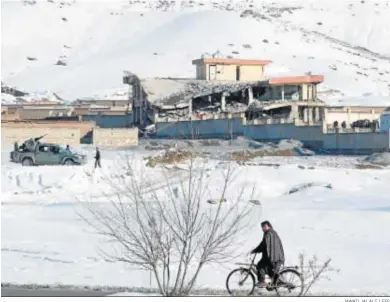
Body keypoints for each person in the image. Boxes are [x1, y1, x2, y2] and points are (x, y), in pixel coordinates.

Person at [250, 221, 285, 287]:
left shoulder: (268, 234)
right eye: (262, 227)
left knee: (260, 265)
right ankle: (278, 281)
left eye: (264, 226)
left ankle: (262, 281)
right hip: (278, 257)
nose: (263, 228)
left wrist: (255, 250)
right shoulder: (273, 233)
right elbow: (266, 245)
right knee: (269, 270)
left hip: (273, 257)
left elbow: (263, 245)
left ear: (269, 226)